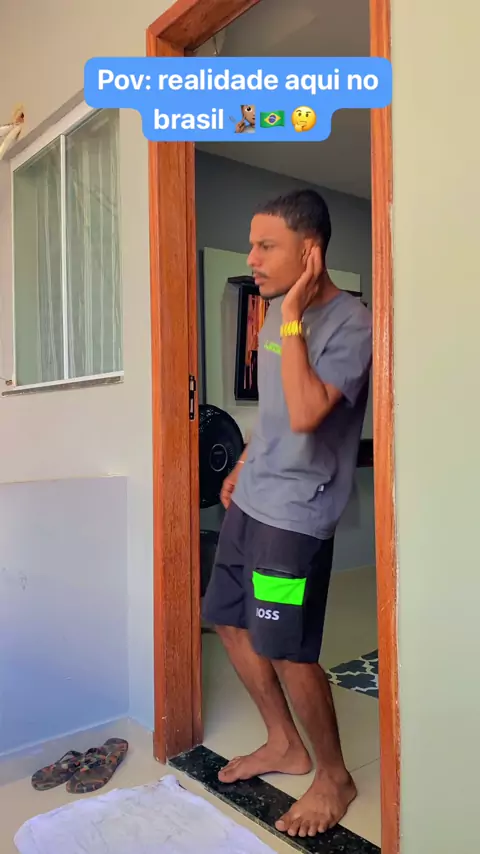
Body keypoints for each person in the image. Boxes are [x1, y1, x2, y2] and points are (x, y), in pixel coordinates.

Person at [202, 189, 373, 839]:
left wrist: (295, 314)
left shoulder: (352, 325)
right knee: (227, 619)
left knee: (286, 646)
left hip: (294, 517)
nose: (251, 258)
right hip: (252, 501)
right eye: (251, 244)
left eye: (265, 246)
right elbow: (276, 410)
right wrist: (245, 460)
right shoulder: (275, 312)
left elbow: (306, 413)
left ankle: (334, 776)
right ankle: (284, 742)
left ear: (310, 252)